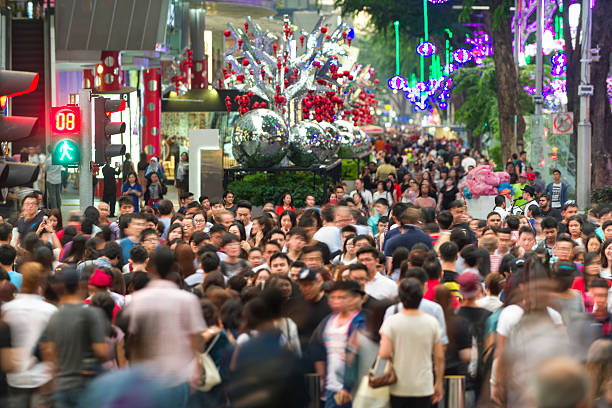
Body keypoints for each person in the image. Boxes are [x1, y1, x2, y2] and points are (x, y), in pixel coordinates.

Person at [121, 247, 206, 405]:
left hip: (148, 378)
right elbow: (196, 340)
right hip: (181, 376)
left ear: (150, 268)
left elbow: (133, 342)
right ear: (174, 267)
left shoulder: (137, 299)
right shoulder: (188, 299)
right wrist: (197, 370)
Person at [39, 265, 109, 408]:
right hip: (88, 385)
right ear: (79, 285)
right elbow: (102, 352)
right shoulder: (92, 313)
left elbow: (50, 356)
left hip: (62, 386)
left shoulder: (54, 317)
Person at [378, 278, 444, 408]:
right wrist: (439, 382)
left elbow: (384, 353)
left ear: (400, 298)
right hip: (424, 385)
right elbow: (439, 356)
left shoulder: (391, 322)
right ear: (421, 297)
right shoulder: (431, 322)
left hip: (398, 385)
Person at [2, 262, 57, 407]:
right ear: (41, 283)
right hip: (42, 376)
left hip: (15, 376)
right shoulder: (50, 311)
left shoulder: (8, 309)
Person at [311, 280, 365, 408]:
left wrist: (347, 386)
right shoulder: (328, 321)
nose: (336, 301)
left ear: (353, 298)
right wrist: (322, 377)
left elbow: (356, 355)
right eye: (333, 297)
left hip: (352, 388)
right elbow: (318, 346)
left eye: (341, 297)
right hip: (331, 386)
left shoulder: (360, 322)